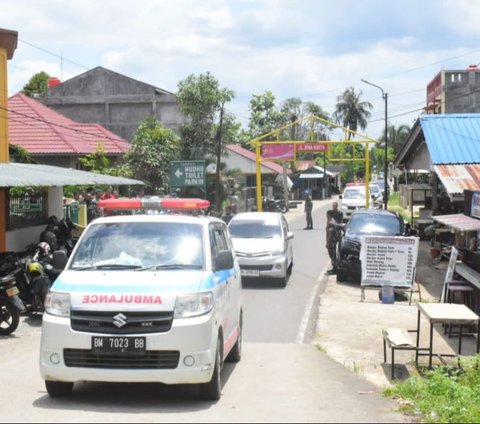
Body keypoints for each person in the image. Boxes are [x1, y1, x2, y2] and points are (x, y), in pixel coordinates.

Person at [325, 202, 344, 274]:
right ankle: (335, 266)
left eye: (334, 206)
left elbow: (340, 223)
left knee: (333, 251)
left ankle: (335, 268)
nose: (333, 207)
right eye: (332, 206)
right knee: (330, 250)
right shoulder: (329, 213)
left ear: (337, 206)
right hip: (330, 235)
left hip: (335, 235)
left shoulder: (340, 213)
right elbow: (327, 224)